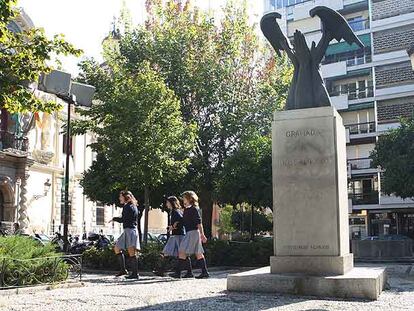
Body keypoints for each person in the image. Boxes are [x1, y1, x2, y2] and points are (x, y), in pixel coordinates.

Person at [173, 190, 209, 279]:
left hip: (193, 232)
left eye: (184, 198)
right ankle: (204, 272)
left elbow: (199, 223)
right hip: (191, 233)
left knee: (182, 251)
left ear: (189, 198)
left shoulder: (193, 209)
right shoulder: (187, 209)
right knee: (197, 253)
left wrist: (202, 234)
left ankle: (178, 273)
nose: (183, 199)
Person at [109, 190, 140, 279]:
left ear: (125, 197)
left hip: (130, 231)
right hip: (129, 230)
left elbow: (124, 219)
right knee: (117, 248)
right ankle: (123, 270)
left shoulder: (128, 207)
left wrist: (114, 218)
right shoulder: (132, 206)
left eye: (121, 196)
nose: (119, 198)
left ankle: (135, 274)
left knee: (131, 253)